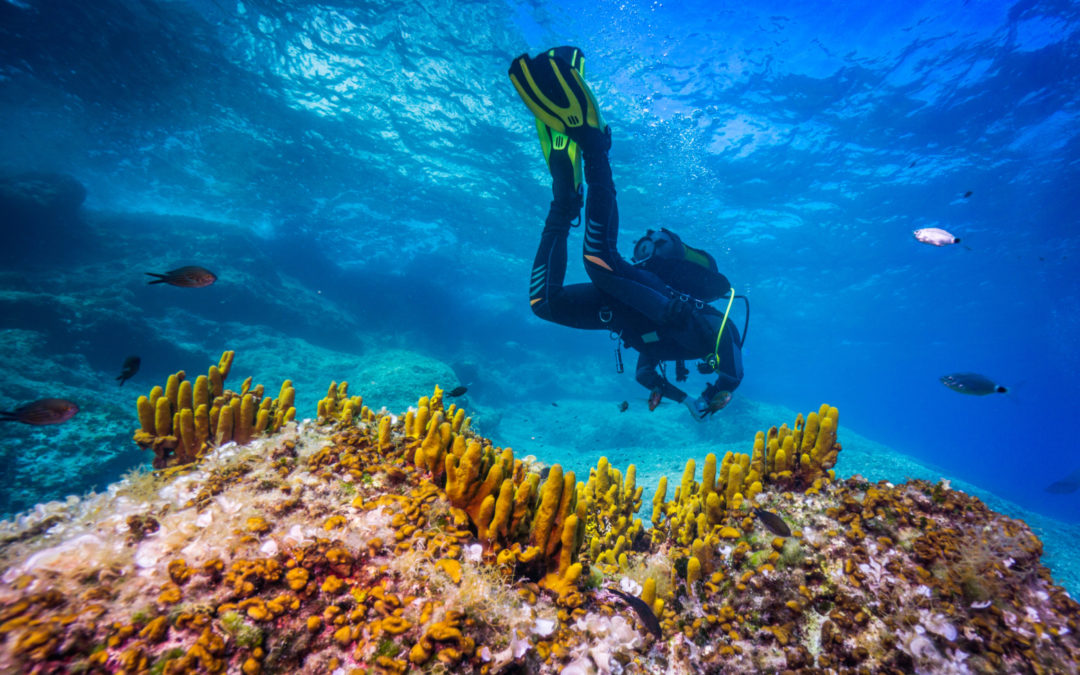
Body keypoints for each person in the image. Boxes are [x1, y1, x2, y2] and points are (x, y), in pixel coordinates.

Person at [509, 46, 745, 421]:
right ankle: (593, 146)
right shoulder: (717, 329)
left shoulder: (672, 352)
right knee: (599, 261)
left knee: (544, 305)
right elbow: (733, 365)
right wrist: (720, 389)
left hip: (619, 313)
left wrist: (685, 400)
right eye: (708, 366)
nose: (706, 366)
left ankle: (564, 203)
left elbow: (644, 372)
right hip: (659, 299)